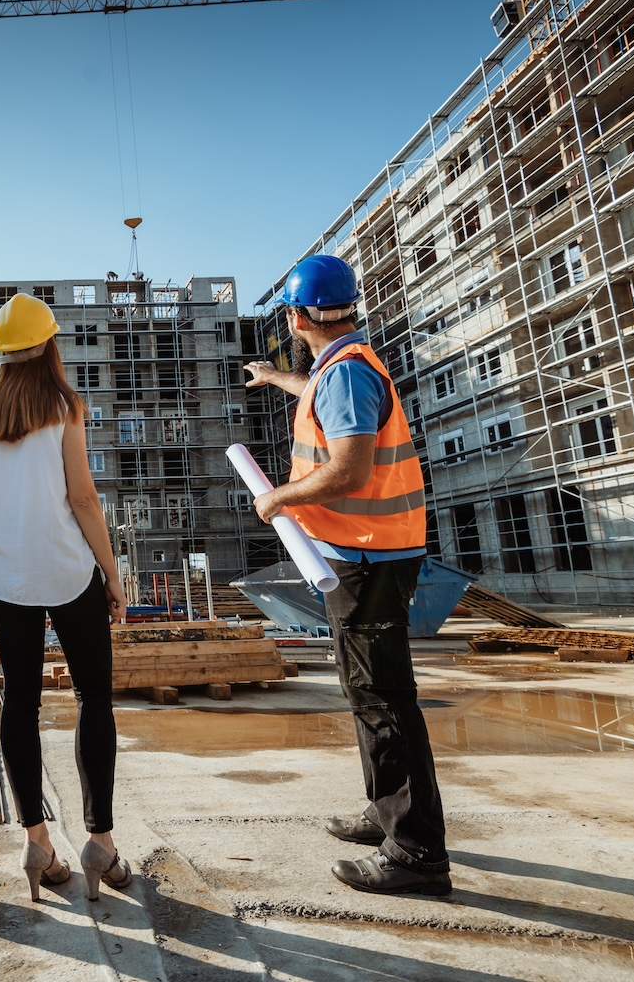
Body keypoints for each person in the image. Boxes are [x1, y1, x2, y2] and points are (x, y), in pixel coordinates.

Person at [243, 255, 451, 896]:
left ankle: (416, 852)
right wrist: (274, 376)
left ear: (295, 316)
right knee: (369, 694)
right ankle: (384, 813)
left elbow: (351, 470)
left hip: (369, 559)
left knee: (384, 699)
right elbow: (316, 394)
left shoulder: (345, 376)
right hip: (365, 556)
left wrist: (281, 498)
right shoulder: (340, 367)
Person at [0, 292, 130, 902]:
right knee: (94, 698)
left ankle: (37, 842)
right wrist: (112, 576)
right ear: (49, 344)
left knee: (20, 706)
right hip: (66, 571)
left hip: (7, 576)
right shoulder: (65, 405)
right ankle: (101, 842)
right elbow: (84, 498)